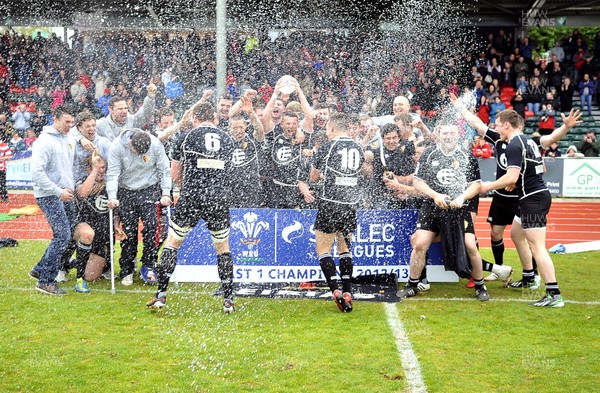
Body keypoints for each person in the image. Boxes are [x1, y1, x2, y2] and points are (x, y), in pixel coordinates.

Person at [480, 109, 582, 307]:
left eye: (498, 124)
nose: (496, 128)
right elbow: (526, 169)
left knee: (537, 247)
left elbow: (511, 176)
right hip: (534, 196)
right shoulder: (527, 140)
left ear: (507, 125)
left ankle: (554, 294)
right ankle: (529, 277)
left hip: (532, 200)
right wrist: (566, 127)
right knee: (517, 235)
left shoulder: (513, 145)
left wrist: (486, 186)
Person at [147, 102, 237, 313]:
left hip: (193, 196)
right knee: (222, 248)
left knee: (172, 243)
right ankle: (229, 300)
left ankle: (161, 295)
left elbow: (175, 174)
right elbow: (229, 173)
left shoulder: (184, 137)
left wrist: (183, 188)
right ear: (214, 119)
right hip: (218, 198)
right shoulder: (227, 139)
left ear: (195, 119)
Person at [396, 123, 491, 301]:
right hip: (432, 207)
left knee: (471, 245)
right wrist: (435, 195)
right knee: (419, 243)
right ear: (438, 134)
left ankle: (480, 285)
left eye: (452, 133)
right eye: (445, 132)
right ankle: (412, 284)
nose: (448, 136)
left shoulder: (467, 156)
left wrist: (462, 198)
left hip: (458, 208)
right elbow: (417, 182)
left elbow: (476, 185)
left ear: (458, 135)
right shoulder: (429, 154)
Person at [310, 112, 366, 312]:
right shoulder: (359, 148)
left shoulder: (327, 146)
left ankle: (335, 289)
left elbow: (314, 177)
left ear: (333, 127)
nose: (326, 132)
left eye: (326, 128)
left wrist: (323, 175)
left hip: (330, 202)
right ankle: (348, 290)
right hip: (350, 204)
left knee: (323, 250)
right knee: (344, 249)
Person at [106, 129, 172, 286]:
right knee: (129, 231)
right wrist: (112, 196)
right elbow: (113, 173)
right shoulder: (117, 146)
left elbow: (164, 170)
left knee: (152, 227)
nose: (139, 155)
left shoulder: (155, 144)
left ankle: (149, 264)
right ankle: (127, 269)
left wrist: (166, 193)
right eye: (136, 151)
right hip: (126, 190)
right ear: (130, 143)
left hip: (149, 189)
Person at [28, 106, 77, 295]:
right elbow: (37, 173)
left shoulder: (69, 137)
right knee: (63, 235)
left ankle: (41, 267)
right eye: (66, 122)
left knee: (70, 231)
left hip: (66, 193)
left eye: (72, 122)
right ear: (55, 119)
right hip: (49, 195)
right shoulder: (44, 142)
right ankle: (46, 281)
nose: (70, 126)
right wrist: (57, 191)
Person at [71, 154, 125, 292]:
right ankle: (79, 279)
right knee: (87, 233)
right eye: (97, 168)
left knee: (92, 276)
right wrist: (94, 174)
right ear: (89, 169)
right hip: (84, 227)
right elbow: (83, 193)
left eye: (103, 168)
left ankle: (73, 263)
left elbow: (116, 212)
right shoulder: (82, 182)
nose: (101, 171)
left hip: (103, 237)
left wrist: (116, 226)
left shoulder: (110, 186)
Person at [86, 81, 156, 143]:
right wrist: (82, 139)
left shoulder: (132, 121)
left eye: (125, 108)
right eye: (120, 109)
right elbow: (79, 130)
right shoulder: (101, 124)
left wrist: (150, 99)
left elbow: (146, 114)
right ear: (111, 110)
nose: (124, 111)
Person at [0, 137, 12, 202]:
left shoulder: (4, 145)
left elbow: (9, 156)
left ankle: (4, 198)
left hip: (1, 168)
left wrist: (1, 158)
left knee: (2, 183)